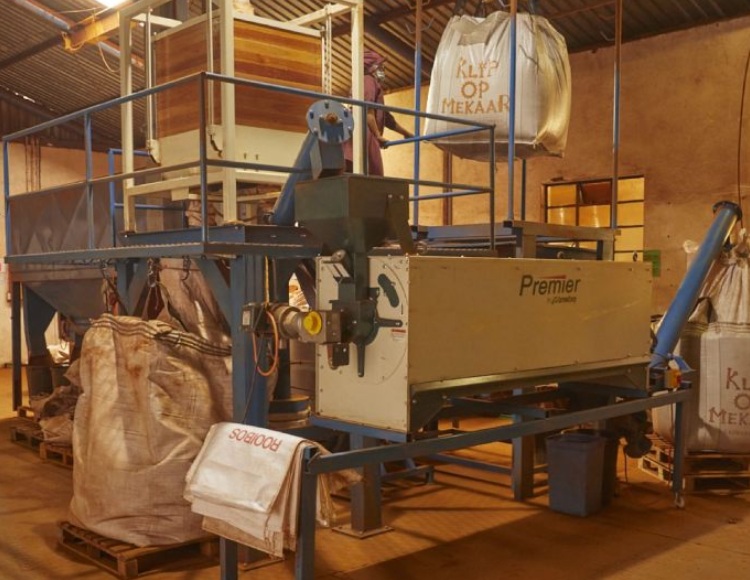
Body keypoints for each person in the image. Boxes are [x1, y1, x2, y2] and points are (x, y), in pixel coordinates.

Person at [344, 50, 413, 176]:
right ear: (372, 68)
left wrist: (406, 133)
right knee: (370, 172)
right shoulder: (368, 80)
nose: (383, 69)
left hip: (365, 132)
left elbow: (387, 118)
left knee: (368, 171)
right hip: (364, 132)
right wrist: (377, 135)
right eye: (380, 66)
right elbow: (367, 109)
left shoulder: (369, 83)